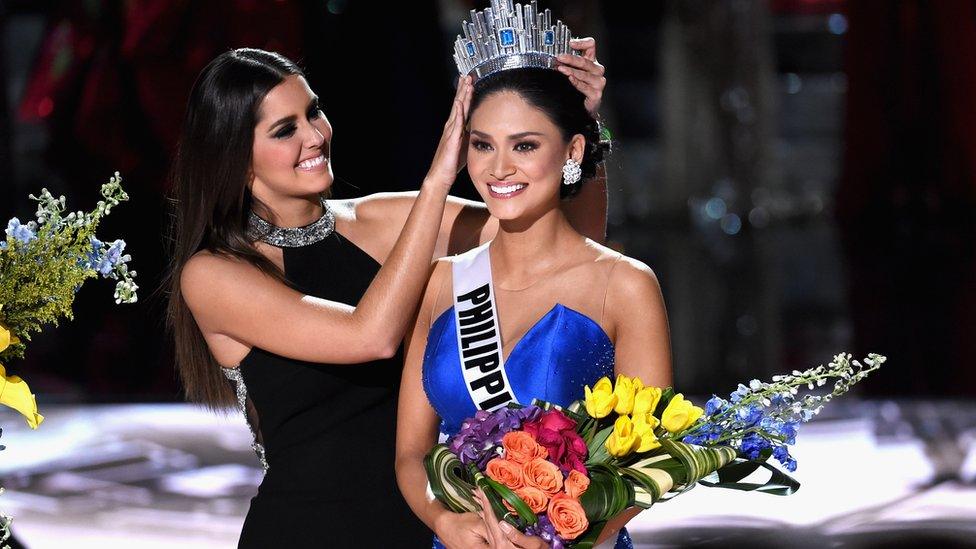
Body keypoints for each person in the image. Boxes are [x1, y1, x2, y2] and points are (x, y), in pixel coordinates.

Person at [166, 44, 608, 548]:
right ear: (234, 157)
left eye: (313, 111)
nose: (315, 135)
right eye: (284, 130)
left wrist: (584, 132)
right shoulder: (214, 274)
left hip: (428, 527)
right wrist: (437, 180)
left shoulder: (382, 221)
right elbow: (369, 336)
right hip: (307, 531)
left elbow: (569, 250)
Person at [395, 24, 672, 549]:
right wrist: (443, 520)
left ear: (571, 152)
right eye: (482, 145)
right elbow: (411, 453)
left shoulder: (624, 285)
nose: (499, 168)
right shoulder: (441, 281)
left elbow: (652, 461)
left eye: (524, 145)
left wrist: (570, 539)